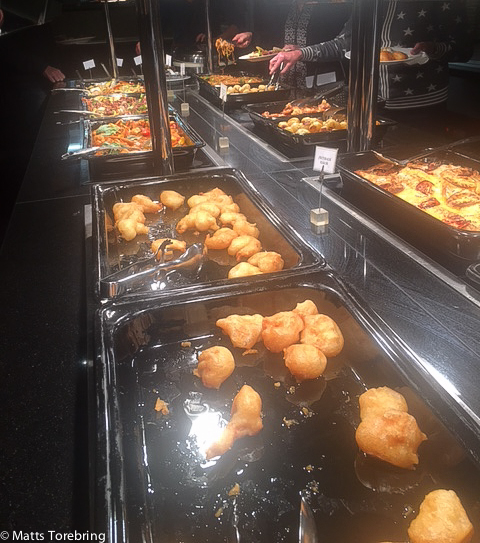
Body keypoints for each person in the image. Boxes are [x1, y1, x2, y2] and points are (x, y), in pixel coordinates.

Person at [269, 0, 472, 112]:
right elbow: (344, 42)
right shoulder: (367, 4)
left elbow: (464, 50)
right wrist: (299, 53)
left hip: (422, 105)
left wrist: (434, 49)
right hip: (370, 104)